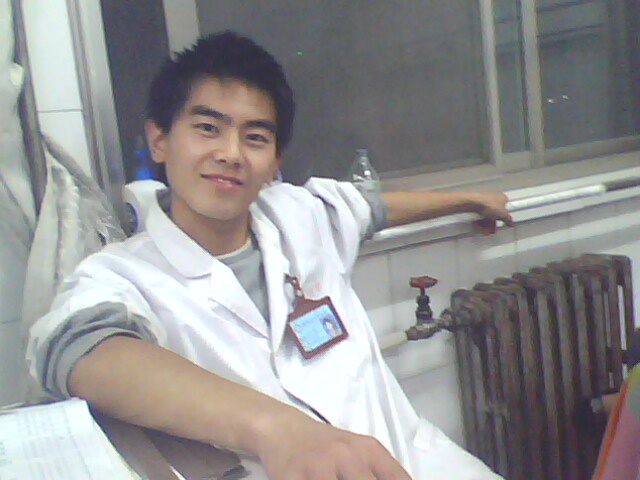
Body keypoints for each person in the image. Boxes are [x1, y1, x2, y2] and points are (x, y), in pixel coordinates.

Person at [27, 31, 512, 479]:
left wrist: (474, 200)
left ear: (275, 160)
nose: (232, 153)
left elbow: (375, 207)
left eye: (255, 137)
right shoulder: (123, 274)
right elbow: (82, 351)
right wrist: (278, 429)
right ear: (159, 140)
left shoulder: (298, 215)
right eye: (208, 128)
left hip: (416, 459)